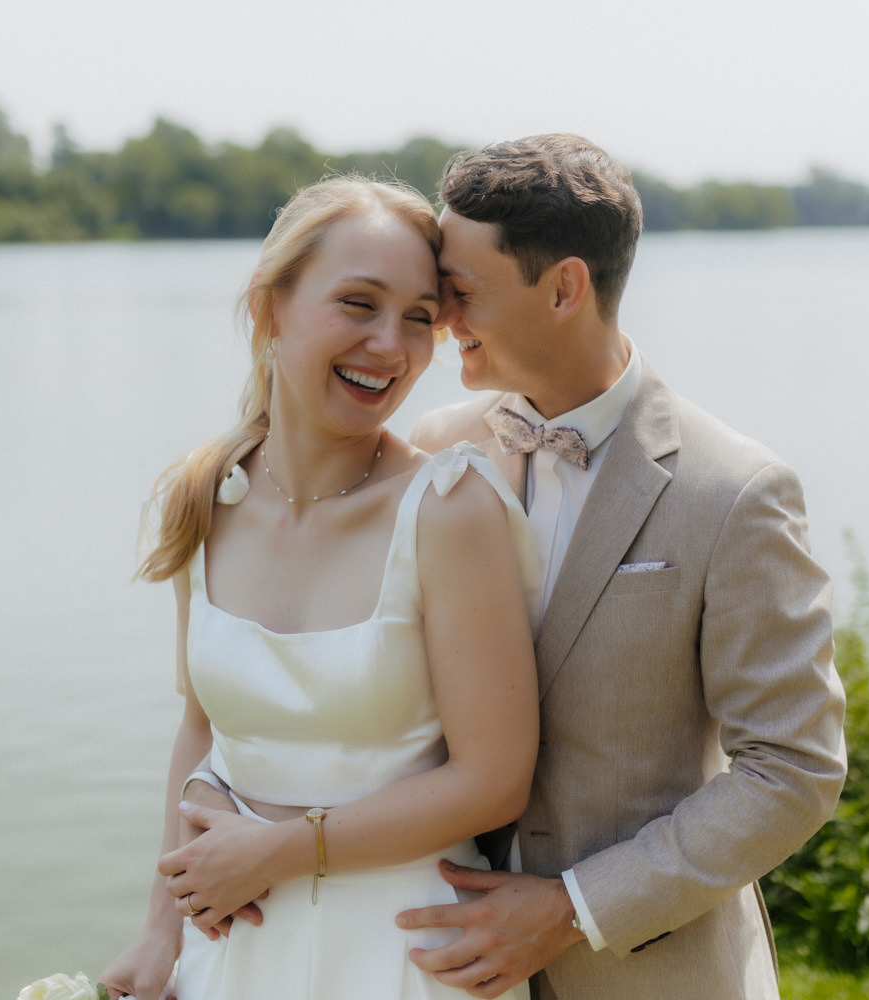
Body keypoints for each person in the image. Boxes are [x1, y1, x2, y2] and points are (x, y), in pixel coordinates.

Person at [395, 135, 848, 999]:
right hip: (445, 972)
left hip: (652, 975)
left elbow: (790, 770)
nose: (441, 318)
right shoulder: (435, 451)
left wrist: (571, 908)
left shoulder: (736, 490)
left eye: (460, 292)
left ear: (564, 287)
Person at [98, 176, 540, 1000]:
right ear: (271, 307)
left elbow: (494, 778)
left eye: (418, 317)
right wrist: (162, 929)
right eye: (358, 303)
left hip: (407, 950)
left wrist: (284, 849)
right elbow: (201, 725)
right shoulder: (204, 495)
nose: (390, 345)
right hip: (235, 942)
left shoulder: (448, 508)